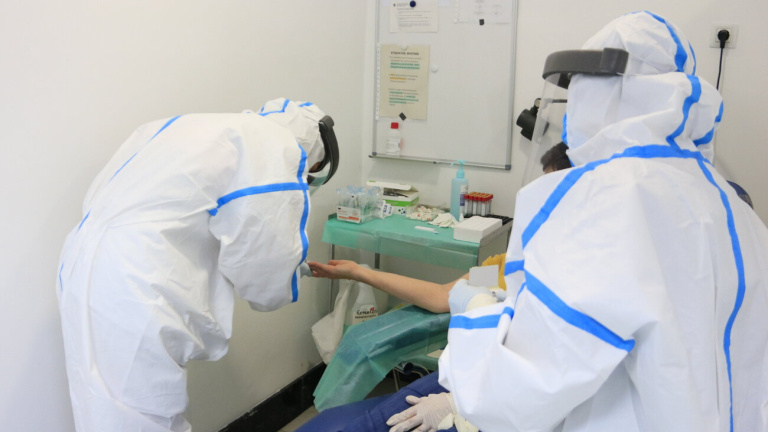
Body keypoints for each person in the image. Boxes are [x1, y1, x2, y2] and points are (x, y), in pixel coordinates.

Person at [439, 11, 768, 432]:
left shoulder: (611, 199)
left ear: (599, 92)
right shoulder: (727, 205)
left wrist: (477, 311)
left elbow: (512, 392)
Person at [56, 98, 339, 432]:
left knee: (101, 402)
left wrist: (294, 266)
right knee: (144, 412)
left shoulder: (196, 127)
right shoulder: (275, 147)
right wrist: (291, 272)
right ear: (312, 149)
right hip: (136, 282)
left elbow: (198, 215)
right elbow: (264, 258)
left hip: (83, 262)